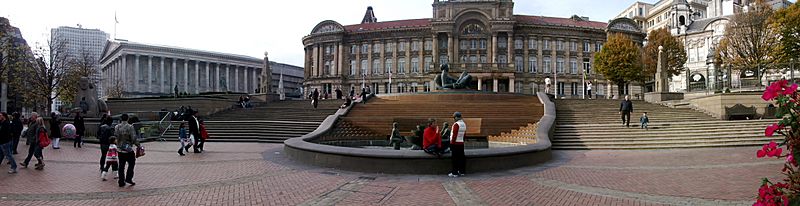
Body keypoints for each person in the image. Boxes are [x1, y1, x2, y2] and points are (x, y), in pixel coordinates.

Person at [115, 114, 140, 187]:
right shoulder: (130, 127)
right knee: (131, 163)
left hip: (120, 149)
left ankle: (121, 181)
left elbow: (116, 137)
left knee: (121, 165)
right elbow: (133, 138)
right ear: (128, 119)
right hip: (128, 149)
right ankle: (129, 178)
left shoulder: (117, 127)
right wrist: (138, 145)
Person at [448, 112, 466, 177]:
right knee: (461, 158)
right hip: (461, 143)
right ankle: (462, 171)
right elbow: (464, 135)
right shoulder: (464, 124)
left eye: (454, 117)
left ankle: (454, 173)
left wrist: (451, 143)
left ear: (456, 117)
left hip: (455, 144)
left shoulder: (456, 124)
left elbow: (454, 135)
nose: (453, 119)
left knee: (454, 159)